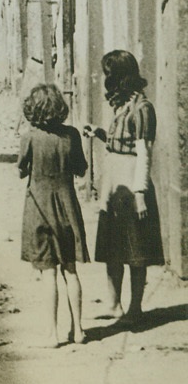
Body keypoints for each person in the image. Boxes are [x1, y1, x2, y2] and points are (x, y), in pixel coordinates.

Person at [84, 50, 164, 325]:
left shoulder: (143, 108)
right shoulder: (123, 105)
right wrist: (99, 133)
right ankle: (114, 304)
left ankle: (135, 308)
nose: (105, 79)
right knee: (113, 246)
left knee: (135, 247)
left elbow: (144, 153)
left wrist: (139, 193)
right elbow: (121, 142)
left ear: (119, 76)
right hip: (113, 181)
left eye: (109, 74)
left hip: (130, 182)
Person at [19, 84, 89, 347]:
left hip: (39, 208)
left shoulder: (30, 137)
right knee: (70, 270)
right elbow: (81, 169)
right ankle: (79, 330)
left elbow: (21, 170)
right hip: (68, 208)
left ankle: (53, 333)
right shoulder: (72, 135)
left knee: (48, 274)